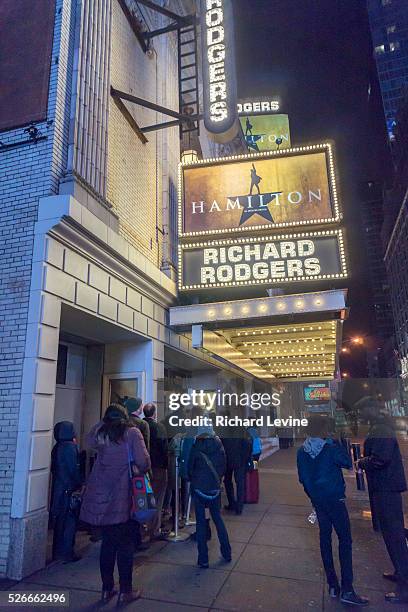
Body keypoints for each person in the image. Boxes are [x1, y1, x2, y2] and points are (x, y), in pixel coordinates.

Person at [80, 404, 151, 605]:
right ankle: (126, 591)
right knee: (126, 545)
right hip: (125, 496)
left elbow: (88, 438)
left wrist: (105, 421)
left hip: (103, 497)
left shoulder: (101, 434)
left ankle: (107, 589)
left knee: (108, 544)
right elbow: (144, 462)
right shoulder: (132, 433)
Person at [297, 415, 368, 607]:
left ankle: (333, 584)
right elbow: (347, 462)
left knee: (325, 538)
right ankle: (348, 588)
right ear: (322, 430)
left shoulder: (301, 452)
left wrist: (313, 495)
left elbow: (302, 478)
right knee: (345, 540)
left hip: (318, 501)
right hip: (335, 499)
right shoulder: (329, 449)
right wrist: (337, 441)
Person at [358, 411, 408, 604]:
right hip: (385, 487)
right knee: (392, 534)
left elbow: (380, 459)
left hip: (386, 488)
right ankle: (400, 572)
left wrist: (362, 462)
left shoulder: (381, 430)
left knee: (394, 534)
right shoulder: (380, 428)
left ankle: (404, 586)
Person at [188, 424, 231, 568]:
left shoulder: (196, 446)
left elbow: (189, 468)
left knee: (201, 523)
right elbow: (224, 466)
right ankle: (227, 552)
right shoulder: (220, 445)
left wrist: (194, 479)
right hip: (214, 489)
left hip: (200, 489)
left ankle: (203, 559)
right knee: (218, 519)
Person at [50, 421, 83, 563]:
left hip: (58, 487)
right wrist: (80, 483)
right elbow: (73, 469)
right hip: (68, 489)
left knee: (60, 521)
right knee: (69, 522)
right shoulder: (70, 448)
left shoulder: (57, 447)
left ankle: (57, 551)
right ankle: (67, 552)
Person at [143, 403, 169, 539]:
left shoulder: (139, 426)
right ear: (154, 413)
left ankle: (143, 526)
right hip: (158, 467)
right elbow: (164, 449)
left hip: (143, 468)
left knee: (144, 498)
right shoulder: (159, 427)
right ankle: (154, 528)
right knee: (157, 499)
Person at [221, 414, 252, 515]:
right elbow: (248, 447)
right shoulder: (243, 433)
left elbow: (222, 447)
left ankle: (232, 503)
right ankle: (239, 507)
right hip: (239, 461)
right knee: (240, 483)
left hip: (228, 461)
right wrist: (246, 459)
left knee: (228, 482)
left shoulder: (225, 433)